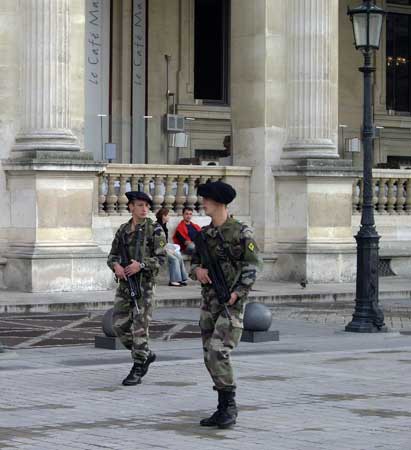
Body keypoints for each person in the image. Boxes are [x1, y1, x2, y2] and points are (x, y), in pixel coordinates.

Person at [190, 180, 263, 429]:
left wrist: (238, 293)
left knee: (218, 351)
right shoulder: (204, 235)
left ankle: (229, 407)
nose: (203, 204)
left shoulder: (241, 232)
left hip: (230, 303)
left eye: (207, 200)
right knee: (208, 355)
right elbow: (194, 263)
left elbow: (253, 266)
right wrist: (197, 271)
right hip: (209, 303)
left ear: (219, 202)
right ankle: (222, 407)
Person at [107, 191, 167, 386]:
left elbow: (161, 258)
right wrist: (116, 266)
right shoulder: (123, 230)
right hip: (125, 285)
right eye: (140, 205)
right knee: (119, 325)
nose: (144, 209)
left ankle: (138, 365)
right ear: (131, 207)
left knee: (140, 327)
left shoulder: (154, 229)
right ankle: (145, 353)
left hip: (144, 286)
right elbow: (112, 255)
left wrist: (140, 265)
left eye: (146, 206)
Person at [155, 207, 189, 287]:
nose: (169, 217)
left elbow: (165, 242)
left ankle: (182, 278)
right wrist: (167, 250)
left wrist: (171, 248)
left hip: (164, 247)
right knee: (174, 259)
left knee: (179, 256)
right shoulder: (157, 227)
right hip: (158, 250)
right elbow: (159, 243)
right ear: (163, 216)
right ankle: (174, 281)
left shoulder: (164, 226)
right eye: (167, 215)